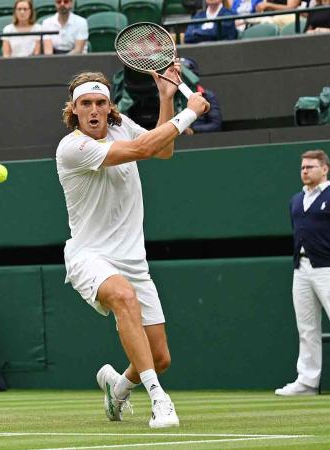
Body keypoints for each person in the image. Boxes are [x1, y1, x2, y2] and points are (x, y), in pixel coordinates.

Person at [56, 69, 209, 428]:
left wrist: (168, 99)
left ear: (110, 107)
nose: (94, 110)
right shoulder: (72, 147)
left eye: (100, 102)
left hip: (133, 260)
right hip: (89, 255)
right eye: (85, 104)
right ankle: (160, 400)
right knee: (123, 297)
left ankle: (119, 388)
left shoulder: (121, 125)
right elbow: (142, 149)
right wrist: (191, 111)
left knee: (159, 356)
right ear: (74, 110)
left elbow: (164, 149)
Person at [275, 150, 330, 397]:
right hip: (301, 270)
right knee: (306, 328)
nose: (305, 171)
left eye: (311, 167)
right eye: (303, 167)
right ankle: (307, 381)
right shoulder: (295, 201)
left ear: (325, 169)